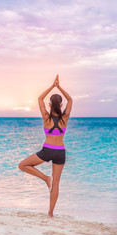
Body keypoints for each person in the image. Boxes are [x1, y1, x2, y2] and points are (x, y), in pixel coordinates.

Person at [18, 75, 73, 217]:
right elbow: (71, 100)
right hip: (60, 152)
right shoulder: (65, 118)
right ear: (61, 105)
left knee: (22, 165)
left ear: (50, 105)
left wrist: (52, 86)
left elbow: (39, 99)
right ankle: (50, 213)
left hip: (47, 151)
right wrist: (59, 87)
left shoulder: (46, 117)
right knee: (56, 184)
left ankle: (45, 178)